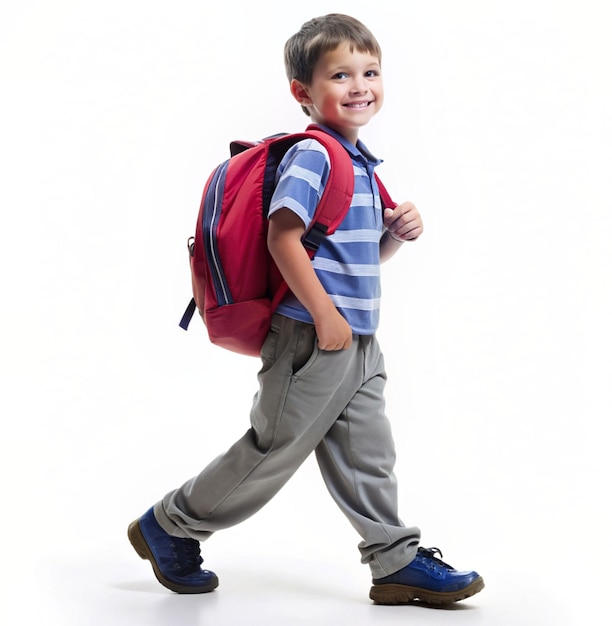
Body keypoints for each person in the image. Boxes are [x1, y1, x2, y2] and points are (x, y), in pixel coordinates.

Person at [128, 13, 484, 606]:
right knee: (272, 452)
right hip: (313, 334)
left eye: (370, 71)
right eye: (340, 74)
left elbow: (355, 259)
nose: (360, 85)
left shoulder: (364, 164)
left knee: (370, 453)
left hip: (358, 338)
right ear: (303, 92)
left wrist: (395, 234)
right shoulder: (316, 156)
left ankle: (394, 560)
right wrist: (323, 316)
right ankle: (171, 523)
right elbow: (282, 239)